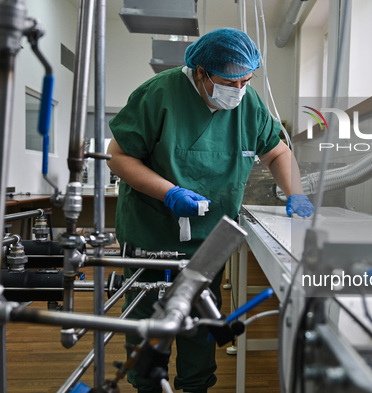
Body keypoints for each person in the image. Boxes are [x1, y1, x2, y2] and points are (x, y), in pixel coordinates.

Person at [106, 27, 314, 393]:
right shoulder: (159, 94)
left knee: (200, 329)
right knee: (149, 331)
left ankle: (195, 386)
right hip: (152, 237)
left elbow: (277, 151)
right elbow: (119, 156)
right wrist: (170, 193)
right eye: (229, 82)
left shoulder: (248, 105)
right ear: (201, 72)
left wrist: (294, 192)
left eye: (246, 81)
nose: (238, 90)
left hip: (208, 242)